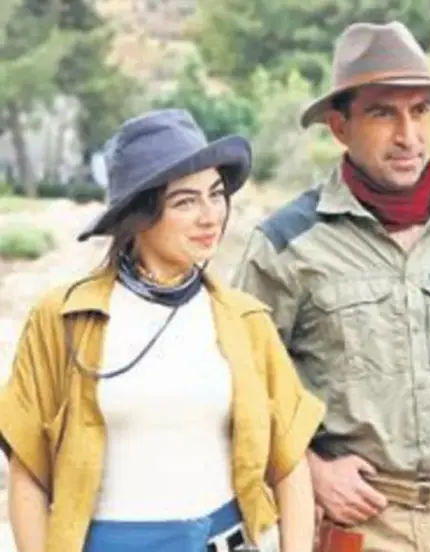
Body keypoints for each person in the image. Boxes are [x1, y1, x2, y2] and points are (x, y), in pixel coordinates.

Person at [233, 20, 430, 552]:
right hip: (353, 523)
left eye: (420, 111)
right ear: (340, 127)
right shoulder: (286, 243)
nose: (408, 136)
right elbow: (243, 386)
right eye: (383, 114)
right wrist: (313, 471)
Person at [0, 108, 325, 552]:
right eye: (185, 202)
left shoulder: (245, 320)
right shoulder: (63, 319)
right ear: (139, 215)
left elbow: (290, 465)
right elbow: (28, 474)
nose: (210, 216)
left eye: (216, 195)